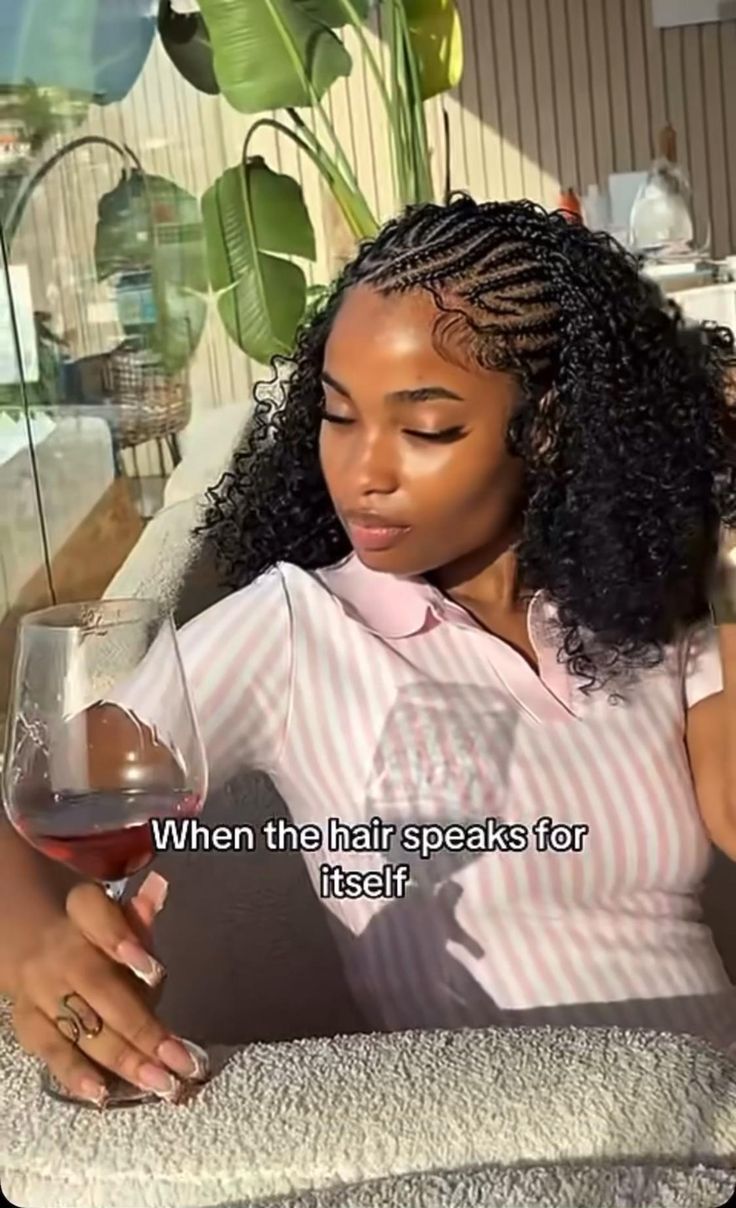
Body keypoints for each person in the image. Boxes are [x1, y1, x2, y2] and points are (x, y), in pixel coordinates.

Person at [3, 194, 736, 1110]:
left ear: (546, 426)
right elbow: (41, 796)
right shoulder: (296, 630)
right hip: (520, 1140)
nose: (361, 472)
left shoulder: (633, 610)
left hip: (712, 1110)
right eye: (339, 415)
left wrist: (716, 537)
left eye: (425, 429)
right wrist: (33, 943)